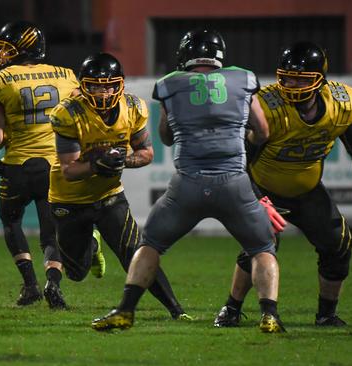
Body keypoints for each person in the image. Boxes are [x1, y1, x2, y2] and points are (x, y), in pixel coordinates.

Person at [91, 29, 288, 333]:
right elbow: (262, 130)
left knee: (151, 244)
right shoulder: (243, 79)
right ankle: (270, 316)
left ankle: (126, 310)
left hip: (188, 184)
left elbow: (166, 137)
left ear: (185, 55)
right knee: (262, 248)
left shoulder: (170, 83)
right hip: (234, 181)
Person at [213, 41, 352, 328]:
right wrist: (258, 199)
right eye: (286, 77)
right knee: (259, 246)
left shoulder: (340, 105)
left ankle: (326, 314)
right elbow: (241, 162)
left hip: (308, 191)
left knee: (339, 243)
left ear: (319, 80)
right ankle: (231, 308)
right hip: (264, 189)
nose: (291, 84)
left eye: (300, 78)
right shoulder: (268, 109)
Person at [48, 52, 190, 320]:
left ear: (120, 84)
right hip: (69, 200)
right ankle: (91, 243)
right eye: (96, 85)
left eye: (109, 85)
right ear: (83, 85)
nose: (103, 92)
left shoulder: (134, 107)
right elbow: (69, 170)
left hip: (108, 195)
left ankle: (176, 310)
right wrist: (96, 165)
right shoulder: (68, 113)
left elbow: (146, 153)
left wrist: (123, 160)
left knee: (136, 252)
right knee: (76, 272)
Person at [0, 21, 90, 309]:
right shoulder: (66, 76)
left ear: (22, 48)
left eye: (6, 48)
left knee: (11, 221)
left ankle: (30, 285)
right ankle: (53, 283)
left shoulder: (0, 81)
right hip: (55, 169)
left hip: (18, 167)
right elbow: (80, 119)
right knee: (51, 232)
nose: (2, 55)